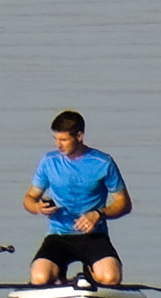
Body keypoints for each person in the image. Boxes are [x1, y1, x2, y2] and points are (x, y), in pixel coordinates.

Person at [24, 111, 132, 286]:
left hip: (93, 235)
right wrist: (37, 207)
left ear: (79, 136)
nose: (58, 145)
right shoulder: (48, 162)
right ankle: (58, 276)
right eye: (55, 139)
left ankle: (90, 273)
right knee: (39, 278)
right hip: (58, 236)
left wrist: (98, 213)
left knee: (110, 278)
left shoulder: (103, 162)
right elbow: (29, 198)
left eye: (63, 140)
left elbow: (124, 204)